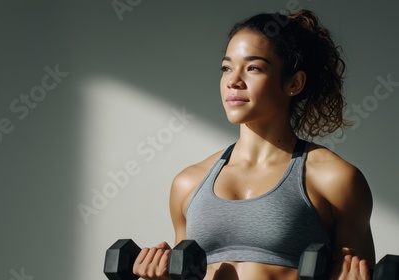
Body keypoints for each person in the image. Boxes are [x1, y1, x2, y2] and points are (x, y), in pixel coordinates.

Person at [131, 9, 375, 280]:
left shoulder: (334, 179)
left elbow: (356, 272)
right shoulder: (188, 183)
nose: (233, 82)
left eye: (253, 68)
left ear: (294, 83)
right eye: (226, 68)